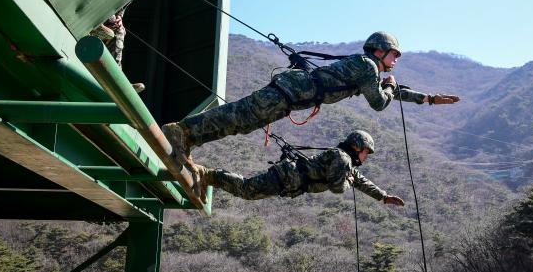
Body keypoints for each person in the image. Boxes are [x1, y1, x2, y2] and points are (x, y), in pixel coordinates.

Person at [163, 31, 460, 175]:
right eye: (395, 55)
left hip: (292, 97)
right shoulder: (368, 68)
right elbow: (381, 102)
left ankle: (187, 141)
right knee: (238, 115)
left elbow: (392, 90)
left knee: (241, 124)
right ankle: (182, 130)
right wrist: (392, 88)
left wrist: (428, 99)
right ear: (380, 51)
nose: (396, 61)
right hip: (290, 92)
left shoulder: (367, 71)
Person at [197, 130, 405, 206]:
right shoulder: (342, 159)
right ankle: (207, 175)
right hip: (286, 177)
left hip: (288, 180)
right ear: (357, 147)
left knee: (248, 191)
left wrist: (383, 196)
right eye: (366, 152)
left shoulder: (345, 161)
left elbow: (359, 179)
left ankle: (209, 177)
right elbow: (338, 187)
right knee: (247, 189)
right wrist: (348, 182)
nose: (366, 157)